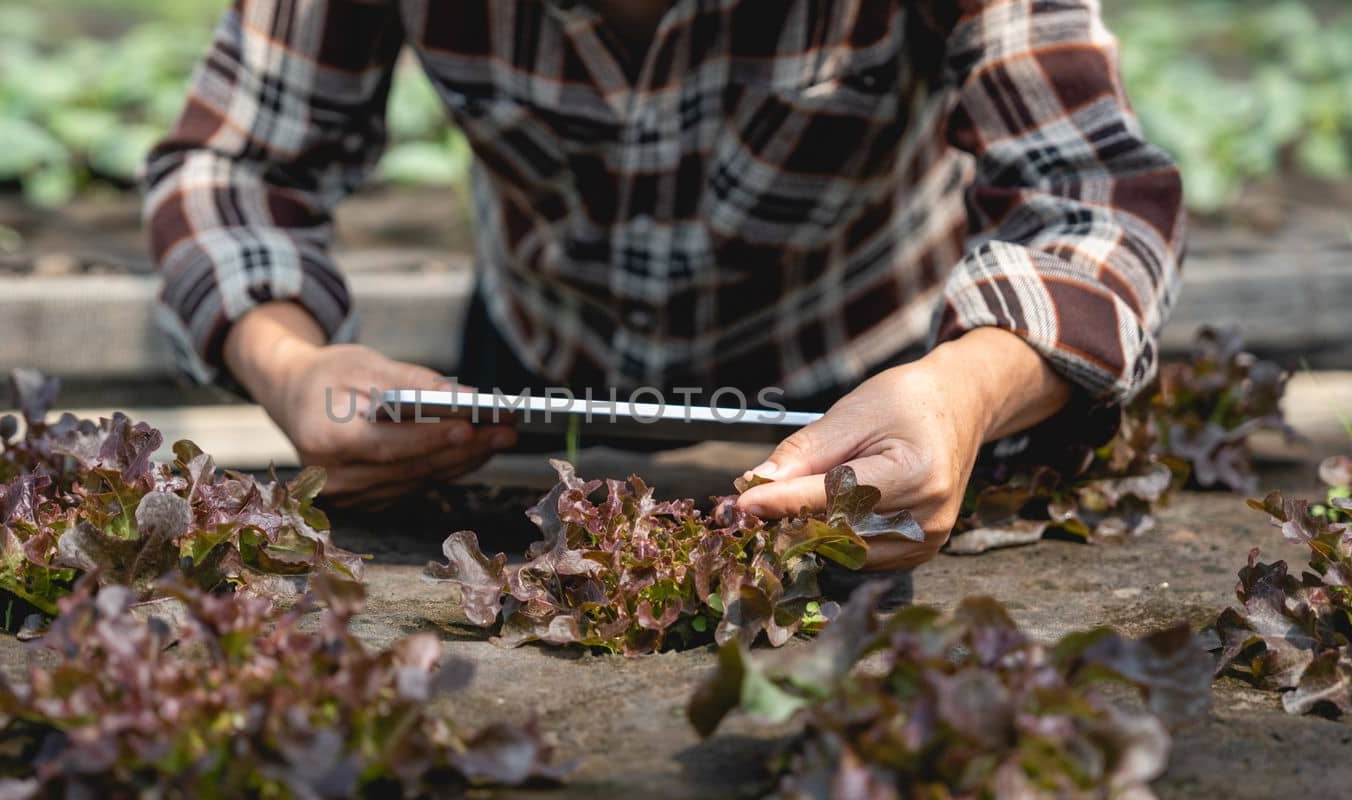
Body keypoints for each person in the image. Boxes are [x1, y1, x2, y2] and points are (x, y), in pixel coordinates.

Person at [143, 0, 1183, 572]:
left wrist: (968, 386)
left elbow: (1093, 194)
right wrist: (291, 364)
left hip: (872, 388)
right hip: (527, 385)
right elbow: (232, 167)